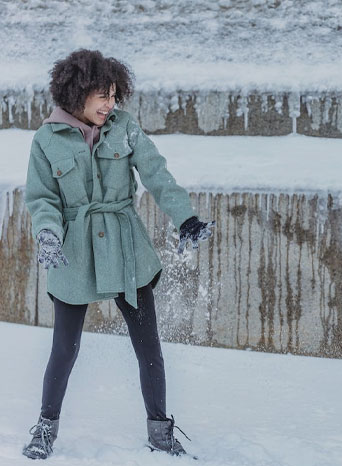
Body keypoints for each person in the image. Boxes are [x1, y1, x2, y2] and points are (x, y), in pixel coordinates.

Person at [22, 49, 215, 460]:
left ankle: (160, 432)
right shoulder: (46, 139)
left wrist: (186, 219)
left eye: (114, 96)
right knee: (64, 348)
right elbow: (42, 200)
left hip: (126, 249)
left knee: (149, 346)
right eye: (102, 96)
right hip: (74, 252)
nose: (110, 105)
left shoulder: (124, 127)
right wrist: (48, 235)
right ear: (77, 93)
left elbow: (157, 174)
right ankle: (45, 428)